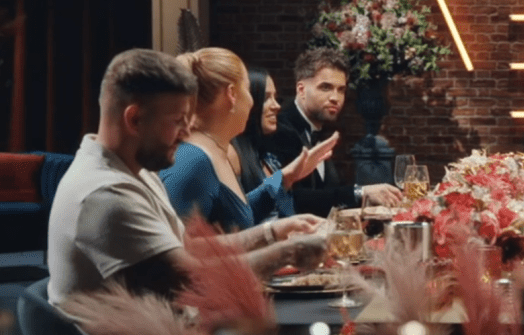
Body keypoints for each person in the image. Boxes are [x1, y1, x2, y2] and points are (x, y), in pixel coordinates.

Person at [47, 48, 328, 314]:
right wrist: (288, 252)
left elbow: (191, 248)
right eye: (179, 120)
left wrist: (274, 232)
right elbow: (191, 280)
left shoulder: (136, 172)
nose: (186, 132)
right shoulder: (105, 194)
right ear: (134, 119)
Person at [160, 48, 336, 230]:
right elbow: (180, 250)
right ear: (232, 94)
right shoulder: (192, 159)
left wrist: (284, 178)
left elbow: (236, 218)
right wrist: (274, 237)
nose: (252, 102)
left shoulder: (215, 149)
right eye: (248, 90)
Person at [270, 47, 402, 217]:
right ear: (301, 90)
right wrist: (360, 193)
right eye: (326, 87)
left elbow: (328, 194)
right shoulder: (281, 128)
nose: (335, 98)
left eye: (341, 90)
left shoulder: (320, 129)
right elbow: (292, 199)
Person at [232, 66, 340, 219]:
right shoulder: (233, 153)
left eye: (275, 98)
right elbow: (238, 218)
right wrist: (287, 177)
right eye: (266, 98)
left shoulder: (268, 157)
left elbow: (287, 215)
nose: (276, 106)